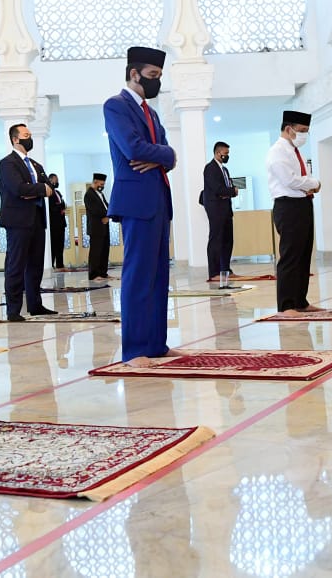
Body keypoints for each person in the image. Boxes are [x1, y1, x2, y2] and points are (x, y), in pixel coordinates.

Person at [103, 46, 182, 366]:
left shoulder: (153, 113)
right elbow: (133, 148)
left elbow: (169, 154)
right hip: (136, 202)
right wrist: (163, 154)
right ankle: (135, 350)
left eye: (160, 76)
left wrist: (164, 156)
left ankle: (156, 345)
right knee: (138, 276)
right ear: (134, 74)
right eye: (152, 75)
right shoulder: (116, 106)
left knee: (158, 276)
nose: (156, 81)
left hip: (159, 198)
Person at [0, 124, 57, 322]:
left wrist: (35, 189)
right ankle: (13, 310)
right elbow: (18, 189)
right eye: (26, 135)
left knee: (35, 265)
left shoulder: (36, 165)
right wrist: (38, 189)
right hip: (18, 222)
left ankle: (35, 305)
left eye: (30, 135)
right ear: (15, 139)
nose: (29, 138)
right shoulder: (8, 163)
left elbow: (49, 188)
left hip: (37, 220)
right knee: (16, 265)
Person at [266, 110, 322, 312]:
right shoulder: (277, 151)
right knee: (290, 256)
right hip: (288, 206)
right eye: (302, 130)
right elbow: (290, 180)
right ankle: (286, 304)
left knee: (303, 255)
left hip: (303, 204)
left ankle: (300, 301)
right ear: (289, 129)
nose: (304, 135)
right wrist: (314, 183)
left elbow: (303, 178)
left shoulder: (295, 151)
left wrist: (309, 183)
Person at [200, 141, 238, 282]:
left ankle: (225, 269)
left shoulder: (225, 170)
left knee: (228, 240)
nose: (227, 156)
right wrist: (231, 191)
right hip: (216, 209)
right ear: (217, 153)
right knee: (216, 240)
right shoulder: (210, 168)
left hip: (226, 209)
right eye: (225, 153)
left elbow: (229, 187)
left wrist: (229, 192)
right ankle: (214, 272)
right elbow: (218, 189)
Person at [84, 172, 110, 280]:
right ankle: (93, 274)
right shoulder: (89, 194)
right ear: (95, 182)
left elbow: (106, 206)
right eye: (101, 184)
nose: (102, 186)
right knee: (96, 251)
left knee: (104, 250)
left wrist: (109, 215)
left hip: (104, 225)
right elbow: (95, 210)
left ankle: (103, 273)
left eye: (103, 185)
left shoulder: (100, 194)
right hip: (96, 227)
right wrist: (105, 215)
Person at [47, 173, 67, 269]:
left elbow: (62, 203)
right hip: (54, 223)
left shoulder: (57, 192)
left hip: (61, 223)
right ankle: (51, 264)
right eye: (56, 180)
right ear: (51, 180)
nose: (57, 182)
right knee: (53, 245)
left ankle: (60, 264)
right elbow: (52, 207)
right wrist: (60, 207)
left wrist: (62, 206)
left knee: (60, 244)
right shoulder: (49, 193)